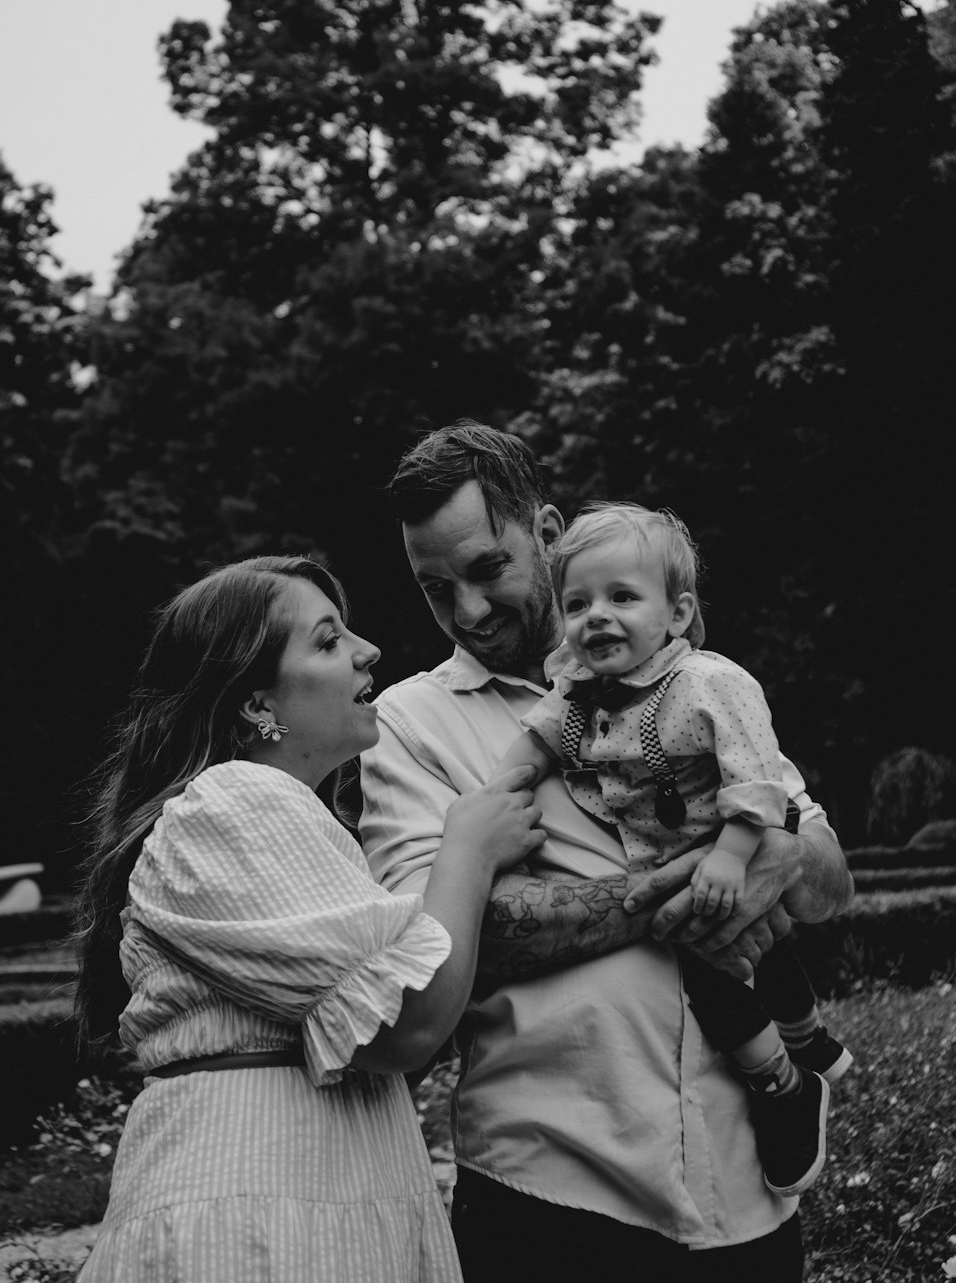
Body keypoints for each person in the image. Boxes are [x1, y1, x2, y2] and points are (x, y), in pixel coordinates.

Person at [359, 422, 854, 1283]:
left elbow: (827, 883)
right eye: (436, 590)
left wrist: (779, 853)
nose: (468, 612)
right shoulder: (409, 726)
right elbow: (440, 946)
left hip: (747, 1187)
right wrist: (696, 879)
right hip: (551, 1192)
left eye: (487, 570)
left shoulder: (686, 678)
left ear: (548, 535)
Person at [73, 554, 543, 1283]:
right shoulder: (235, 801)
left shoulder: (289, 821)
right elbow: (406, 1026)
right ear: (257, 703)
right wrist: (469, 851)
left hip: (301, 1203)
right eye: (327, 641)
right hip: (257, 1223)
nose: (368, 650)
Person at [490, 499, 853, 1199]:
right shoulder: (582, 695)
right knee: (722, 966)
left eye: (622, 597)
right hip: (667, 861)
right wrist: (494, 793)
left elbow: (755, 778)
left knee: (753, 951)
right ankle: (794, 1071)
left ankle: (787, 1076)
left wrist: (733, 854)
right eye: (578, 602)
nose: (597, 615)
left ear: (677, 614)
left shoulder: (709, 683)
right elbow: (534, 743)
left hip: (733, 843)